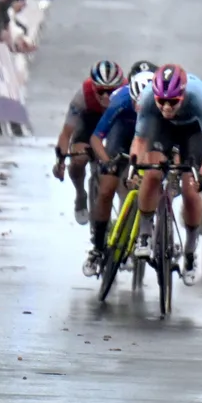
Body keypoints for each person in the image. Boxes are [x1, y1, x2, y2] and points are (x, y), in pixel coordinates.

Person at [130, 64, 202, 285]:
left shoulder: (198, 97)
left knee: (191, 189)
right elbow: (140, 141)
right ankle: (145, 233)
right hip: (162, 128)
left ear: (183, 95)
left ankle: (190, 250)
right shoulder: (148, 99)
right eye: (162, 100)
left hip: (193, 131)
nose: (167, 106)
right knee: (152, 173)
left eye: (173, 101)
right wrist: (134, 166)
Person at [83, 68, 154, 276]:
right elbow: (96, 139)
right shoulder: (121, 101)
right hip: (121, 134)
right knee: (106, 190)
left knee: (151, 178)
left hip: (149, 136)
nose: (140, 108)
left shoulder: (162, 106)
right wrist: (107, 162)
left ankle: (149, 232)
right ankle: (97, 247)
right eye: (136, 104)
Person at [53, 60, 126, 226]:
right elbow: (66, 134)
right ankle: (80, 193)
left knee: (123, 168)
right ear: (93, 87)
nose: (107, 96)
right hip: (90, 120)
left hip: (117, 120)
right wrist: (61, 162)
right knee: (79, 158)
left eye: (112, 91)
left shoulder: (128, 94)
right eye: (101, 91)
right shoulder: (82, 96)